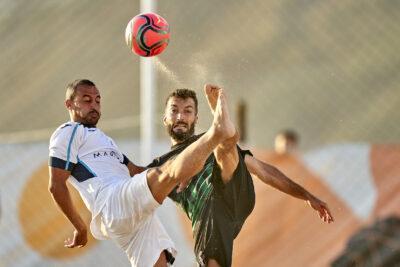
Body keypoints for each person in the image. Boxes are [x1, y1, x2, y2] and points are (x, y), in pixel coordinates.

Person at [48, 79, 237, 267]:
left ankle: (214, 137)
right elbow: (56, 185)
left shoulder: (104, 140)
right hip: (112, 202)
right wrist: (79, 227)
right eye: (86, 100)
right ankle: (217, 132)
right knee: (162, 174)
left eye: (97, 100)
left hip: (129, 214)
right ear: (69, 104)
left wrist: (185, 170)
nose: (94, 105)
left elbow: (137, 171)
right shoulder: (68, 131)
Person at [147, 85, 334, 267]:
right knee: (211, 230)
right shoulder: (158, 166)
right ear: (165, 118)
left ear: (196, 118)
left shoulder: (207, 141)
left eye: (188, 111)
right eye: (174, 110)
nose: (180, 116)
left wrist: (307, 196)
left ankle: (224, 130)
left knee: (222, 149)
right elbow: (129, 192)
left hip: (236, 190)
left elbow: (264, 170)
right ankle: (224, 130)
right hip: (208, 212)